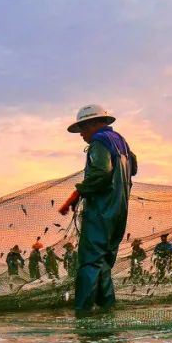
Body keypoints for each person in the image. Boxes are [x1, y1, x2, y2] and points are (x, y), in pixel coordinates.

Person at [58, 104, 138, 314]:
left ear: (94, 124)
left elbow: (101, 173)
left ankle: (82, 314)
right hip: (119, 211)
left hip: (101, 211)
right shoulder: (121, 142)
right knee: (103, 262)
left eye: (83, 129)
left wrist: (76, 194)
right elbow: (134, 168)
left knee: (90, 262)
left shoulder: (99, 141)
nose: (82, 135)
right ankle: (106, 310)